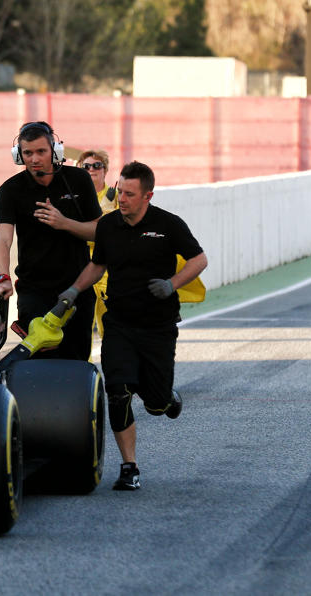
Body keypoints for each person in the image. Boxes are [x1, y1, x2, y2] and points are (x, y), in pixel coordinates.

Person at [57, 161, 207, 491]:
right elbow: (98, 265)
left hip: (158, 327)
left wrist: (172, 284)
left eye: (129, 194)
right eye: (120, 191)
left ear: (147, 196)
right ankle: (130, 467)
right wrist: (72, 290)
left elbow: (199, 259)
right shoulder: (109, 225)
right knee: (118, 391)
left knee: (154, 404)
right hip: (119, 324)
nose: (121, 198)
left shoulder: (168, 225)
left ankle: (165, 397)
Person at [0, 121, 102, 361]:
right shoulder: (10, 190)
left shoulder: (79, 179)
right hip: (35, 291)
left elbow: (99, 232)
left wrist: (64, 223)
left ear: (55, 150)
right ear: (19, 156)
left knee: (75, 362)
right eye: (27, 153)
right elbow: (3, 240)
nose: (34, 159)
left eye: (41, 151)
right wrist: (3, 277)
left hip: (77, 289)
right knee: (39, 362)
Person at [77, 149, 118, 338]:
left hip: (107, 273)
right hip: (79, 270)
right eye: (86, 166)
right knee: (80, 330)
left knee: (110, 330)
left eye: (97, 165)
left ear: (105, 170)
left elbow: (116, 234)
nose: (91, 169)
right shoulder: (72, 199)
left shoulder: (117, 197)